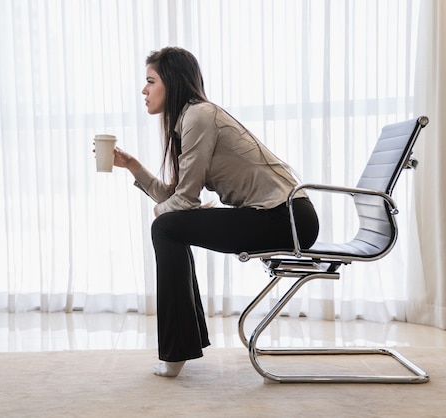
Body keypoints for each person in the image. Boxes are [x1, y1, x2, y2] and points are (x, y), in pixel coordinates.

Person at [111, 46, 319, 377]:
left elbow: (181, 204)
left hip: (286, 218)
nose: (144, 90)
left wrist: (161, 212)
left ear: (173, 82)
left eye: (150, 81)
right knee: (168, 225)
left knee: (165, 227)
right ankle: (180, 347)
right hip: (284, 215)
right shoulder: (191, 118)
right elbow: (178, 197)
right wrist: (133, 166)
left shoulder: (198, 116)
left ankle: (178, 351)